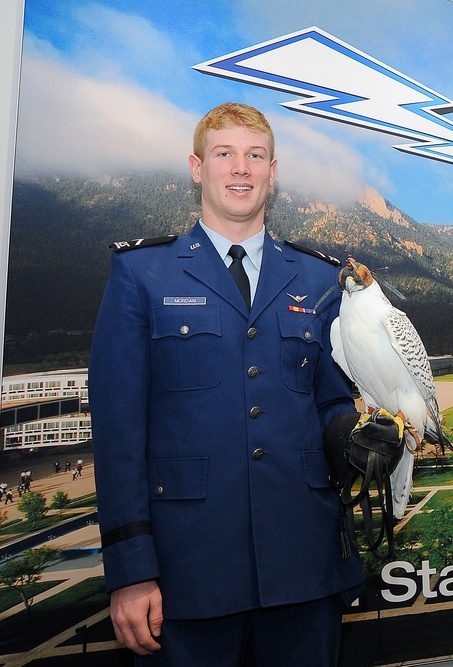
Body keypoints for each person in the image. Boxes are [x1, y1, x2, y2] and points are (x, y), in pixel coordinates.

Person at [90, 102, 365, 666]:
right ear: (198, 168)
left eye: (254, 155)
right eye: (225, 154)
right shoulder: (142, 273)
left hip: (304, 568)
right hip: (186, 577)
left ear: (272, 170)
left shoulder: (318, 278)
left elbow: (331, 398)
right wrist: (130, 570)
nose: (241, 168)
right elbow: (118, 435)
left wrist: (355, 440)